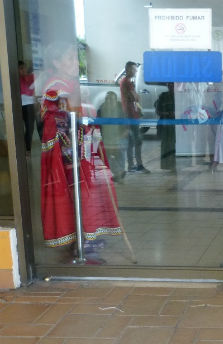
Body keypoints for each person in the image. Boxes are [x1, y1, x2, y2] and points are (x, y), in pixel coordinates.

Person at [40, 90, 121, 255]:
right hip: (67, 171)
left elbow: (92, 137)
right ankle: (79, 240)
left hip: (86, 168)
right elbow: (57, 149)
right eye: (63, 102)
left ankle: (87, 237)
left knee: (89, 203)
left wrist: (93, 137)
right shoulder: (54, 119)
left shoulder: (83, 113)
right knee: (73, 204)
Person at [120, 61, 150, 173]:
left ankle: (132, 165)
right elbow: (136, 98)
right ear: (128, 69)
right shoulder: (127, 83)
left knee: (132, 142)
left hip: (131, 115)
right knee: (136, 141)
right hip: (131, 116)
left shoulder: (125, 82)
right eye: (134, 69)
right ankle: (138, 165)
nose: (136, 71)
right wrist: (136, 97)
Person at [97, 91, 127, 181]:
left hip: (120, 136)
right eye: (107, 99)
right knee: (107, 155)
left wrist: (120, 137)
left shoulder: (120, 109)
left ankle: (120, 171)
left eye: (111, 99)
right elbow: (98, 125)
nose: (109, 101)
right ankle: (118, 172)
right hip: (107, 137)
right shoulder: (101, 109)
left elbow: (127, 126)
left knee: (120, 151)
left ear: (115, 100)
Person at [155, 83, 176, 172]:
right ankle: (166, 165)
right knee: (165, 145)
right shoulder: (163, 96)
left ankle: (172, 165)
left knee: (172, 144)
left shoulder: (178, 97)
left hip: (174, 124)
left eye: (172, 86)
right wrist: (168, 114)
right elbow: (158, 111)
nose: (171, 87)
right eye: (170, 86)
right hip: (165, 124)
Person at [19, 61, 37, 153]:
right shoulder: (19, 79)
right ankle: (26, 149)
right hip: (24, 105)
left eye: (24, 67)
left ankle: (27, 149)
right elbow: (28, 91)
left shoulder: (28, 77)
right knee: (27, 127)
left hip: (29, 105)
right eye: (21, 68)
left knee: (30, 127)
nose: (24, 70)